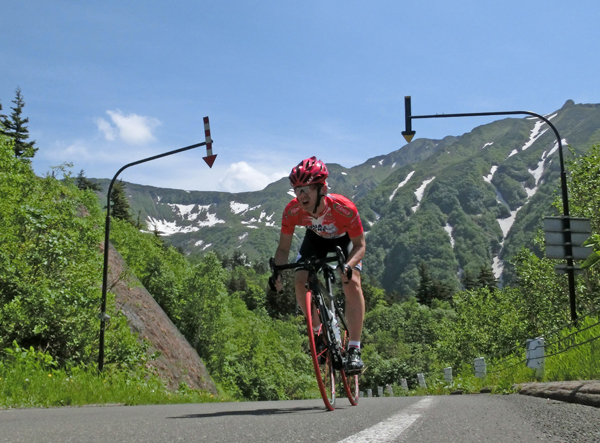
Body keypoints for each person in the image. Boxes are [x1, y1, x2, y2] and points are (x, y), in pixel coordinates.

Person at [273, 156, 366, 375]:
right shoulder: (292, 211)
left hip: (344, 242)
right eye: (297, 190)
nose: (301, 196)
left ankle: (354, 348)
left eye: (306, 189)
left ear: (321, 189)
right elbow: (283, 249)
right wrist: (277, 272)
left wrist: (348, 266)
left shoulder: (344, 208)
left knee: (350, 281)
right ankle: (318, 331)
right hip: (315, 240)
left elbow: (360, 245)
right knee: (300, 281)